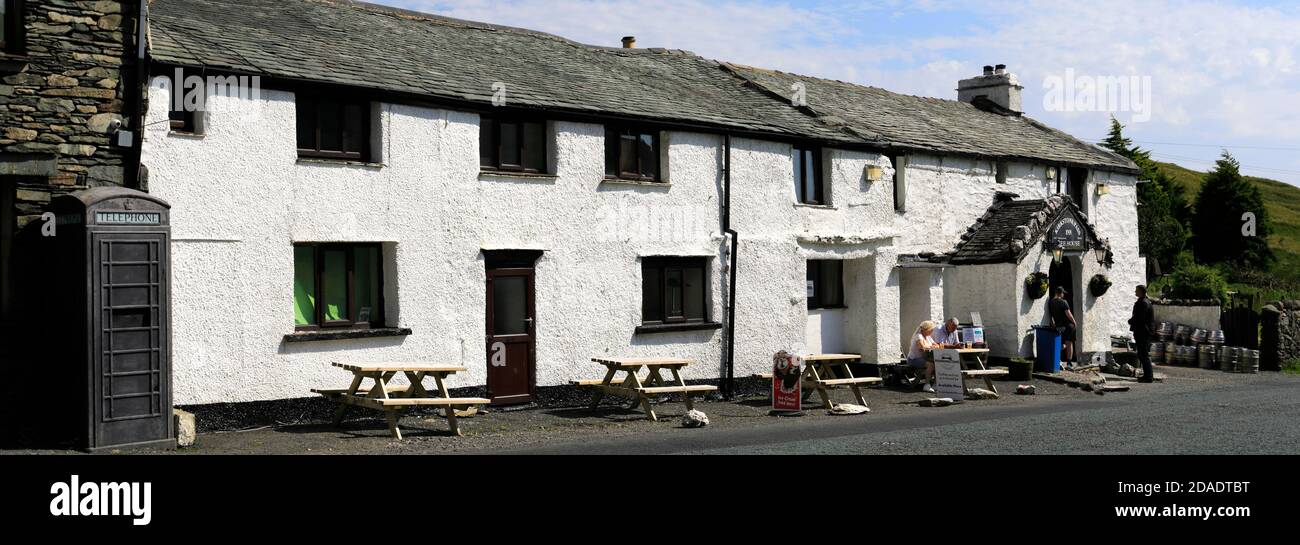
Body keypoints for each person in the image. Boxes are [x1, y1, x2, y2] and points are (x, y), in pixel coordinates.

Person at [1129, 285, 1156, 383]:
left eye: (1136, 290)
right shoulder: (1146, 302)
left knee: (1143, 354)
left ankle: (1148, 377)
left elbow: (1140, 318)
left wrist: (1130, 321)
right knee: (1142, 354)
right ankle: (1147, 375)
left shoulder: (1143, 303)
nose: (1135, 292)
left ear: (1141, 292)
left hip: (1143, 332)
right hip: (1145, 331)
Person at [907, 320, 941, 393]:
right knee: (931, 365)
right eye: (931, 329)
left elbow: (937, 345)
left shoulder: (928, 337)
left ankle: (935, 384)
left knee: (937, 363)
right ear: (926, 329)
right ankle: (927, 385)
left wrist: (932, 346)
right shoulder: (918, 336)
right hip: (914, 359)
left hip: (923, 359)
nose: (932, 331)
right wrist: (931, 346)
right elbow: (922, 347)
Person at [1048, 287, 1077, 365]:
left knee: (1060, 343)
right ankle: (1069, 362)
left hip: (1058, 326)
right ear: (1060, 293)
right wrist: (1074, 322)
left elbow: (1050, 315)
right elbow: (1068, 314)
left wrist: (1053, 323)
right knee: (1069, 343)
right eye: (1063, 293)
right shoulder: (1063, 302)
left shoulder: (1051, 302)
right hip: (1068, 325)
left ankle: (1056, 356)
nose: (1063, 294)